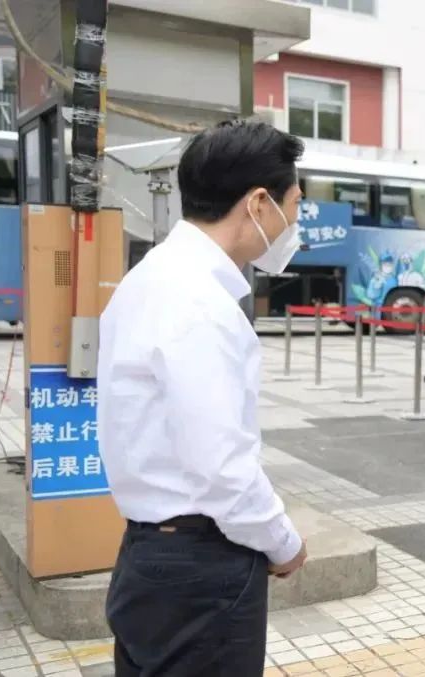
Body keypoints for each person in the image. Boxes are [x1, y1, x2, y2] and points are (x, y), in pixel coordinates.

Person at [98, 120, 308, 675]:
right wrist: (283, 541)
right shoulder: (199, 304)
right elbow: (222, 468)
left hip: (152, 553)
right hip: (200, 565)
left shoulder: (151, 278)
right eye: (294, 205)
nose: (295, 222)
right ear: (258, 203)